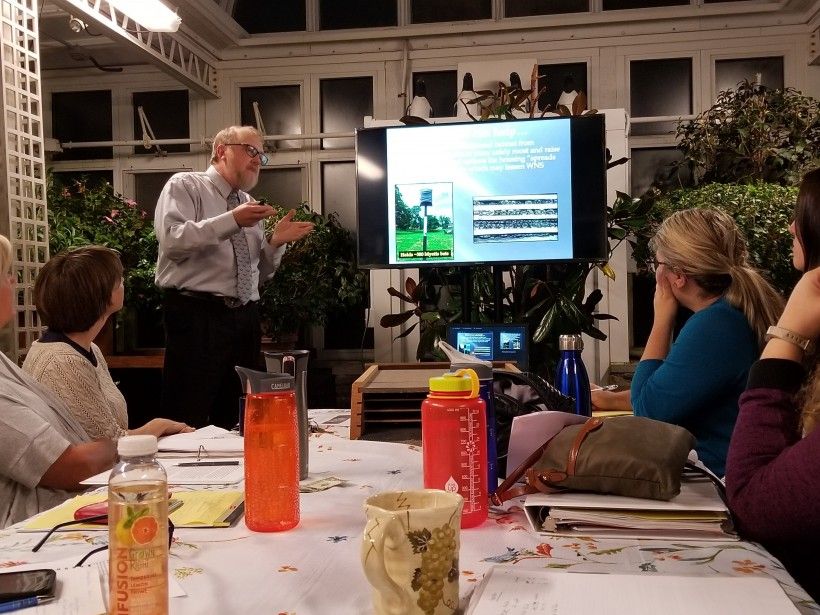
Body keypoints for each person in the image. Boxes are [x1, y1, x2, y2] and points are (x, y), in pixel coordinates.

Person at [591, 209, 783, 475]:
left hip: (717, 482)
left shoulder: (716, 326)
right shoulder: (731, 313)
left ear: (679, 276)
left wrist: (662, 318)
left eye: (657, 265)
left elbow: (649, 412)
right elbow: (673, 389)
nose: (655, 274)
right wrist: (608, 399)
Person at [154, 125, 313, 428]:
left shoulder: (249, 206)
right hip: (196, 315)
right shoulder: (186, 185)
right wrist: (231, 220)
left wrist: (275, 243)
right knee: (186, 414)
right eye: (251, 150)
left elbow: (256, 275)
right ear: (221, 151)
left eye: (262, 156)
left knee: (243, 415)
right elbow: (173, 241)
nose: (257, 159)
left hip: (244, 319)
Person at [725, 168, 820, 601]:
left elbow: (753, 506)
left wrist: (787, 335)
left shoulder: (714, 324)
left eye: (800, 217)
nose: (789, 227)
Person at [0, 235, 117, 528]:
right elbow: (73, 466)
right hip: (32, 535)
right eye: (4, 274)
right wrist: (141, 443)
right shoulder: (60, 359)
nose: (12, 281)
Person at [22, 246, 194, 440]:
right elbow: (110, 443)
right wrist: (159, 425)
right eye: (119, 279)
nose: (123, 283)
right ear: (101, 293)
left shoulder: (88, 348)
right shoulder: (63, 360)